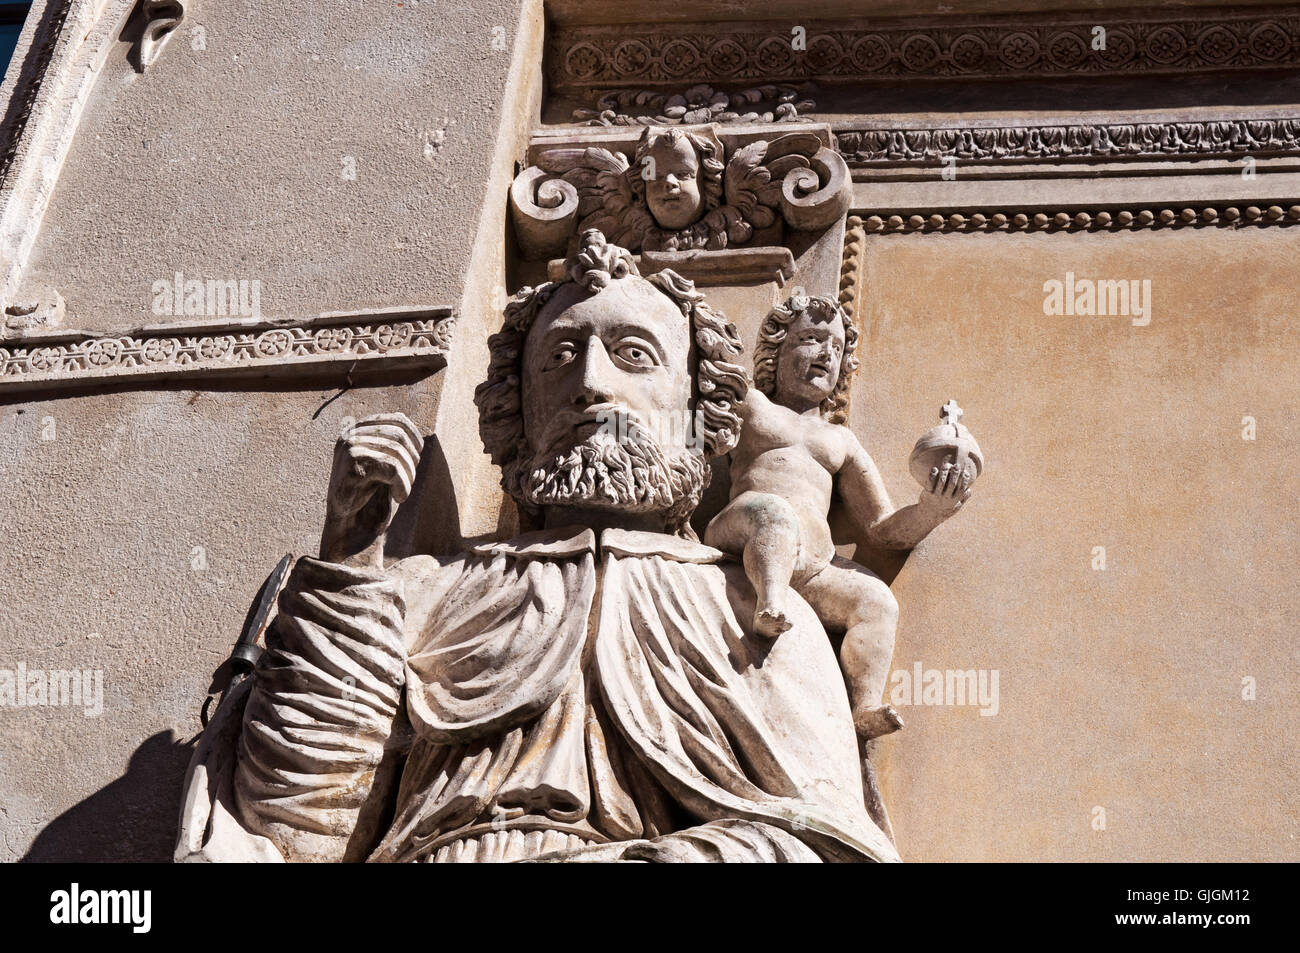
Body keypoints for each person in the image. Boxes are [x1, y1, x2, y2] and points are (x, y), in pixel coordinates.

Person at [176, 231, 899, 863]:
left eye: (632, 355)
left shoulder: (753, 608)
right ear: (519, 411)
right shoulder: (430, 586)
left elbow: (823, 844)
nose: (590, 383)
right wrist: (351, 563)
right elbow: (295, 823)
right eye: (558, 360)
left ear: (696, 409)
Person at [705, 295, 974, 741]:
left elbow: (883, 530)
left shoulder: (840, 440)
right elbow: (693, 435)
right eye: (810, 339)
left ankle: (864, 705)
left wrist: (933, 509)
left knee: (875, 600)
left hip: (812, 563)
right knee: (775, 513)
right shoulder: (752, 406)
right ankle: (769, 604)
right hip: (742, 530)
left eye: (836, 348)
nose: (826, 354)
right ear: (776, 351)